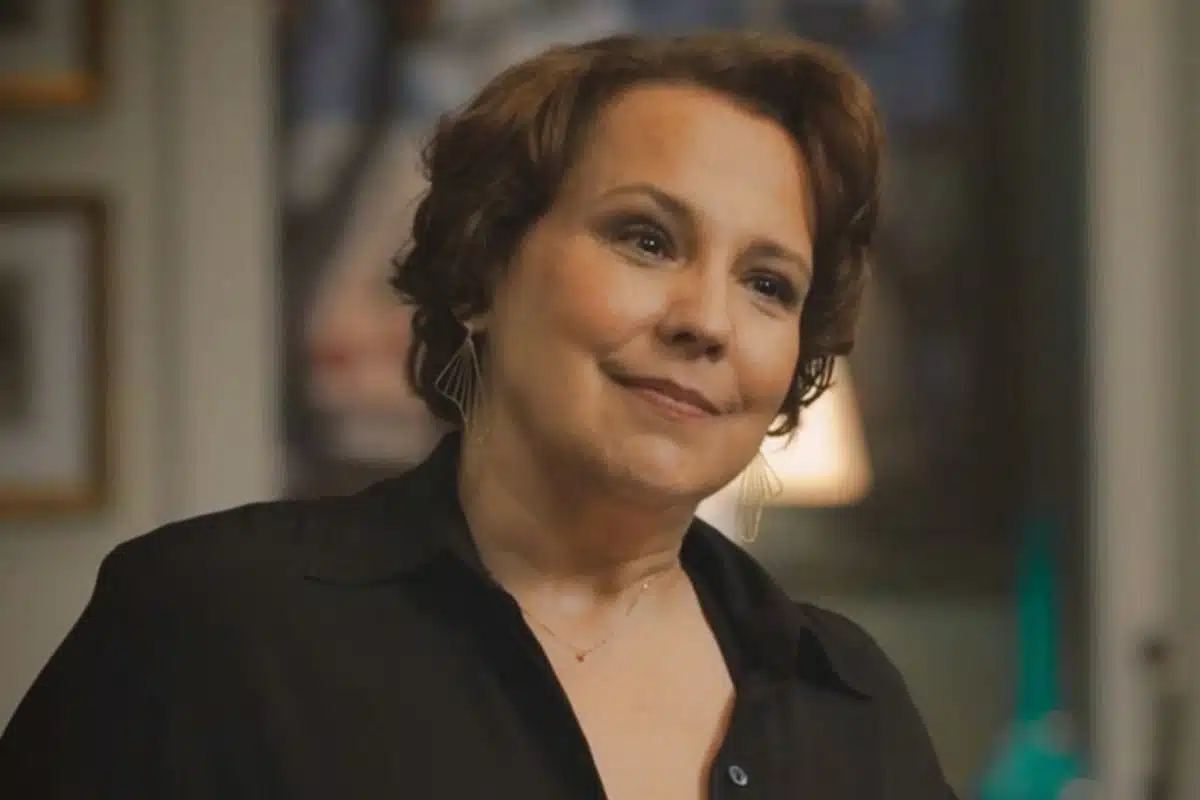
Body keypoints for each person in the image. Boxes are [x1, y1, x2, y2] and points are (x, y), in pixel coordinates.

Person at [0, 32, 957, 798]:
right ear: (482, 270)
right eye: (646, 239)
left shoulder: (848, 700)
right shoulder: (210, 626)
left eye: (768, 284)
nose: (707, 321)